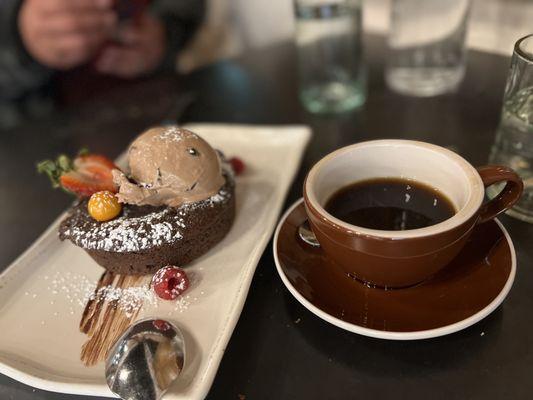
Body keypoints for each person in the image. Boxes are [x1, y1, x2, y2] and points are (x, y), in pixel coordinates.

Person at [0, 0, 205, 128]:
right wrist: (17, 39)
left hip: (161, 112)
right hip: (33, 140)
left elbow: (188, 8)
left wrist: (166, 33)